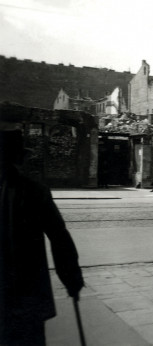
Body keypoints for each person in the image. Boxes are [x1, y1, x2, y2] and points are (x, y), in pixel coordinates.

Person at [0, 129, 84, 346]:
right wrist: (72, 280)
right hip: (27, 294)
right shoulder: (34, 191)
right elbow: (59, 238)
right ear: (19, 158)